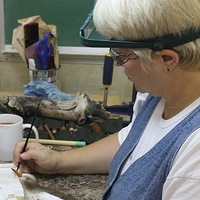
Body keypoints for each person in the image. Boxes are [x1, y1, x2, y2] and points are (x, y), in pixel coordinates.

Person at [13, 0, 200, 199]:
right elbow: (133, 142)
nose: (117, 63)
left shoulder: (194, 158)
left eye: (121, 56)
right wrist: (58, 161)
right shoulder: (160, 93)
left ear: (167, 59)